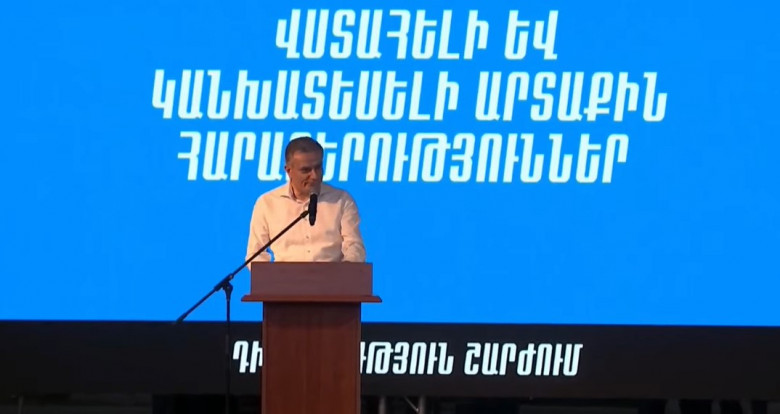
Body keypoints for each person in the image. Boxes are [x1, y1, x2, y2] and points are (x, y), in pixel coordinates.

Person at [245, 136, 366, 263]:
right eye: (306, 170)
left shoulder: (341, 200)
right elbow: (255, 254)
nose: (314, 176)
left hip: (333, 274)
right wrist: (269, 275)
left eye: (318, 167)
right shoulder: (267, 203)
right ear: (288, 171)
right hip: (284, 276)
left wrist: (346, 269)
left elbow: (354, 246)